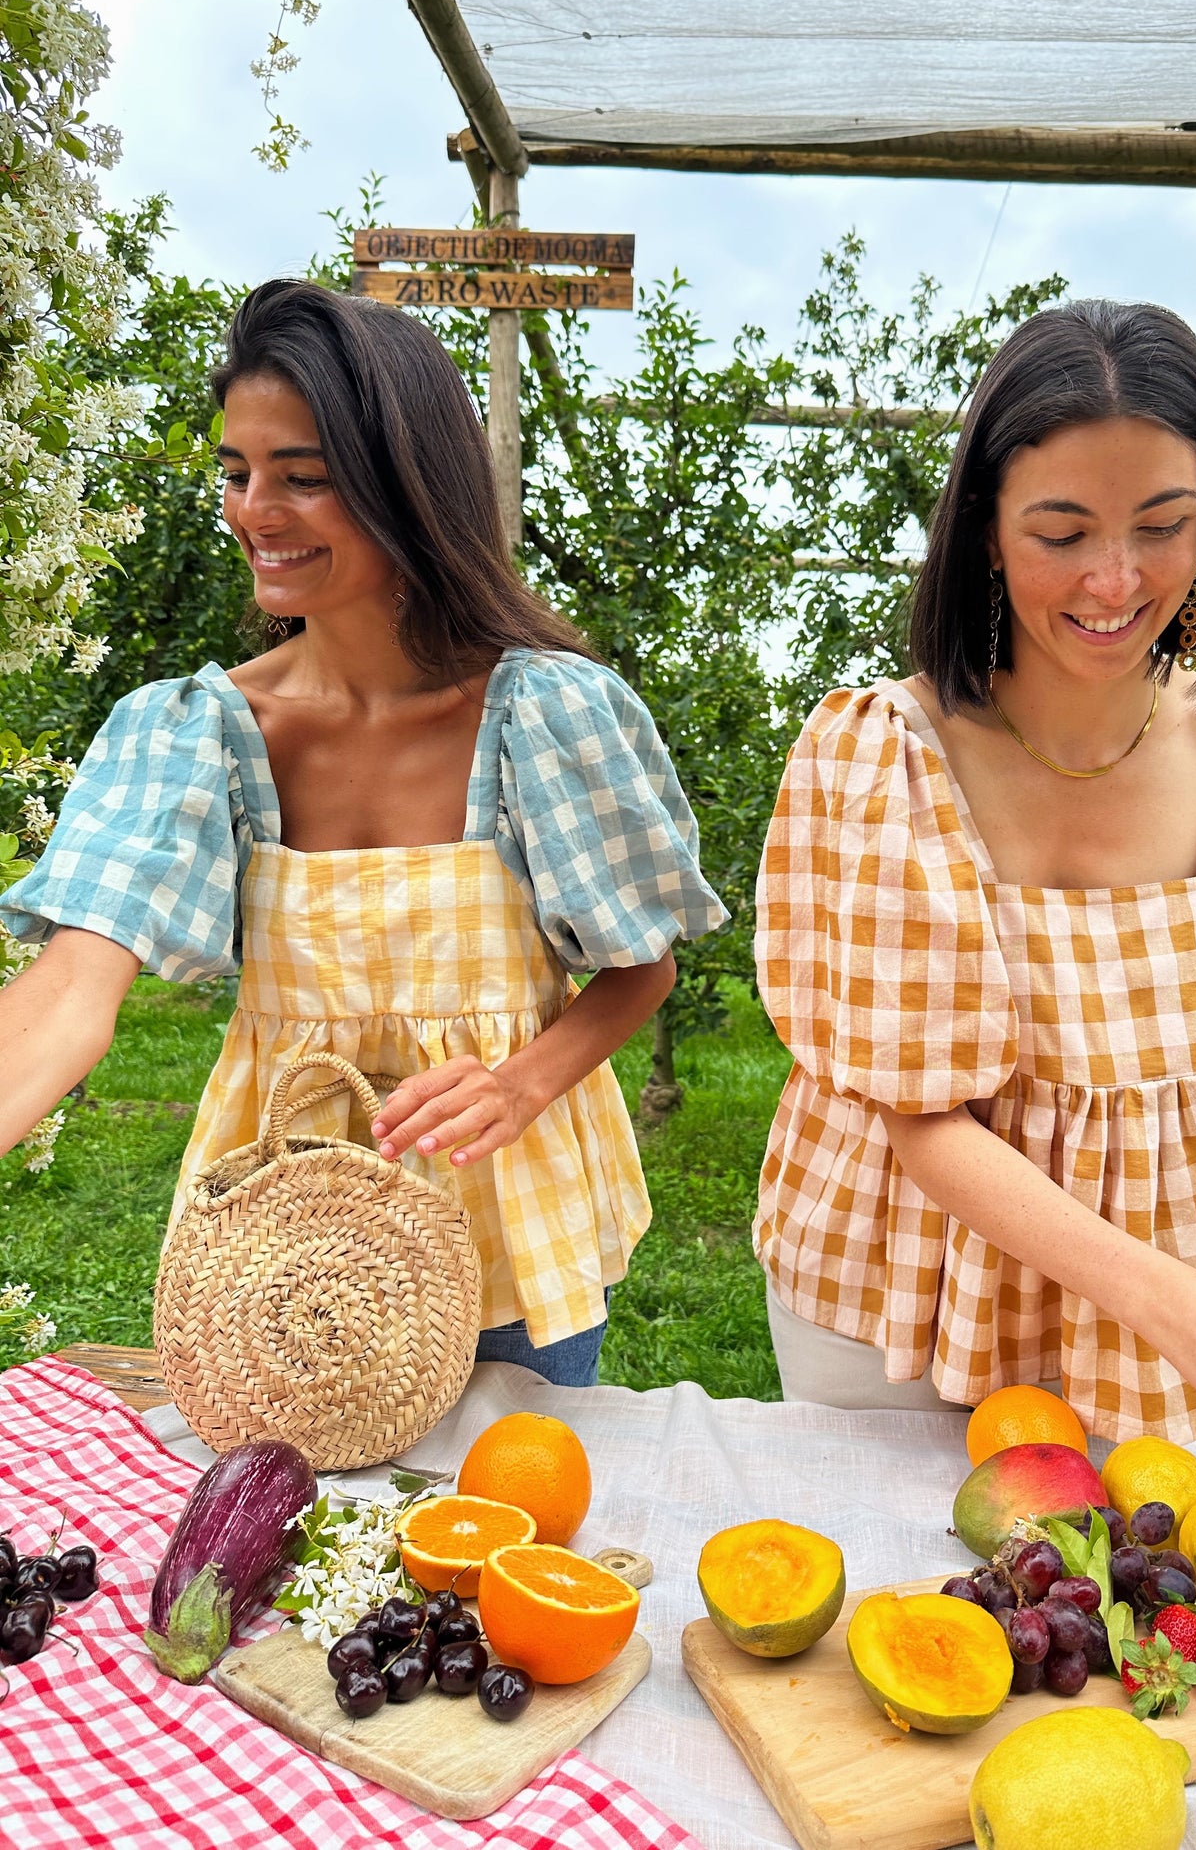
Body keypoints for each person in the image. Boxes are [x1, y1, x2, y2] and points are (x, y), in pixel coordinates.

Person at [0, 278, 726, 1386]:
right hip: (283, 1233)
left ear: (407, 486)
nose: (253, 511)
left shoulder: (543, 715)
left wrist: (523, 1081)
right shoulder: (198, 731)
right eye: (237, 474)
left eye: (303, 478)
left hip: (509, 1223)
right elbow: (70, 988)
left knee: (500, 1516)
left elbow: (642, 968)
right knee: (285, 1524)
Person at [755, 298, 1196, 1472]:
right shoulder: (884, 753)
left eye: (1160, 526)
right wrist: (1187, 1310)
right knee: (890, 1597)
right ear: (983, 533)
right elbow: (920, 1117)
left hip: (1161, 1276)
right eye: (1060, 532)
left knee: (1118, 1618)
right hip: (898, 1289)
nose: (1114, 580)